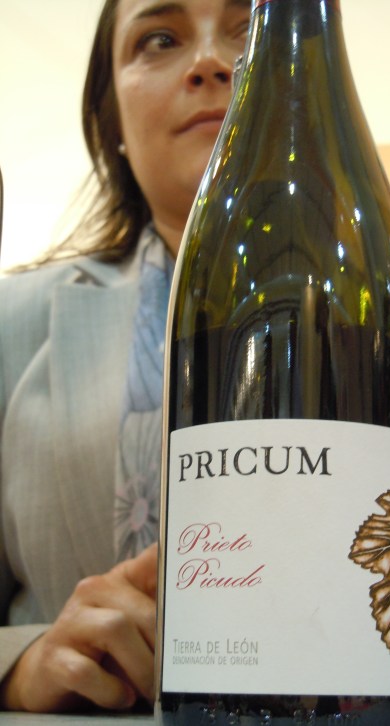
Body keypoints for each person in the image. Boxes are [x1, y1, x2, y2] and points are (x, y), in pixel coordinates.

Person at [0, 0, 251, 713]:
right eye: (160, 39)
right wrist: (23, 667)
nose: (210, 62)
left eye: (250, 28)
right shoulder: (9, 324)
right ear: (110, 120)